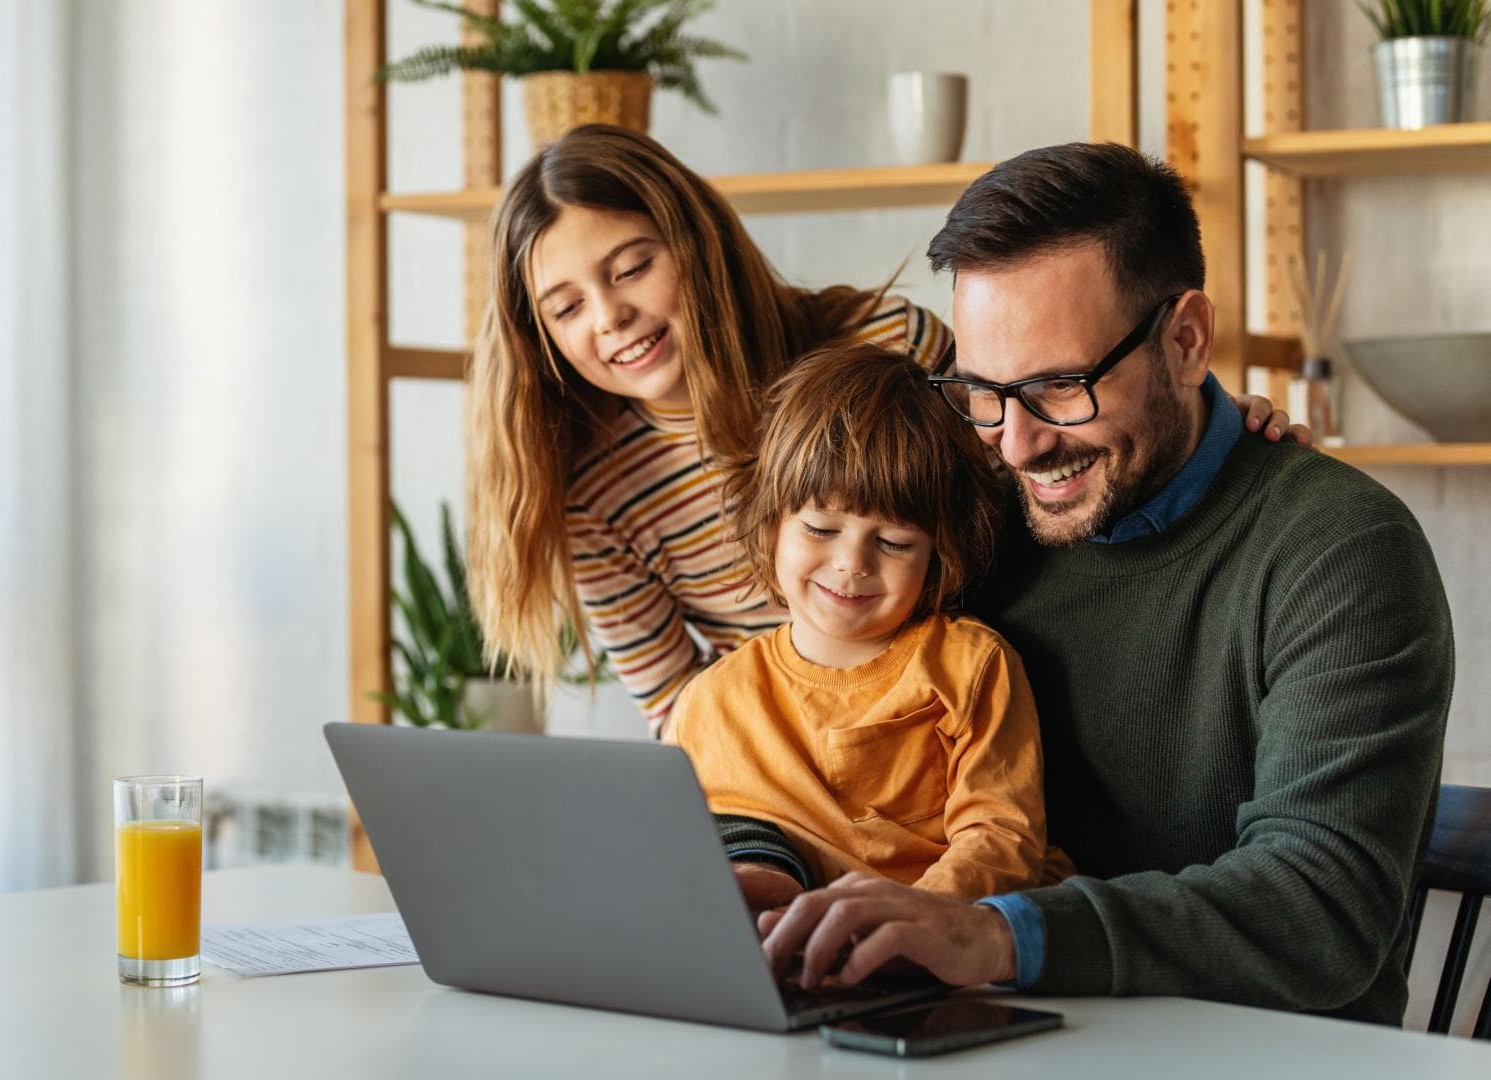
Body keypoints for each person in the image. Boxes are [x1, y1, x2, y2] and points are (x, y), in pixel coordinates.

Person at [753, 142, 1453, 1026]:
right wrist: (755, 860)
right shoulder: (973, 521)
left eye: (1058, 386)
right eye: (982, 391)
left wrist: (994, 934)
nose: (1015, 443)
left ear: (1187, 339)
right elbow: (817, 719)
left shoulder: (1339, 550)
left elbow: (1320, 908)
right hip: (992, 1032)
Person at [464, 125, 1303, 740]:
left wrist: (1215, 426)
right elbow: (681, 720)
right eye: (565, 307)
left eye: (631, 267)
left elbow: (1050, 465)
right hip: (792, 772)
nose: (610, 319)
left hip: (987, 714)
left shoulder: (883, 344)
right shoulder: (593, 499)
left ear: (695, 246)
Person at [666, 343, 1052, 906]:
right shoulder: (709, 704)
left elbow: (1001, 839)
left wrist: (920, 921)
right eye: (821, 529)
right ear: (771, 523)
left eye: (894, 542)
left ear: (939, 556)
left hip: (945, 948)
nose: (852, 564)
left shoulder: (970, 665)